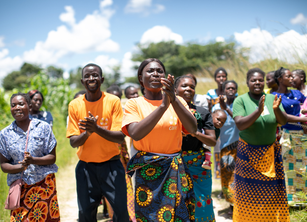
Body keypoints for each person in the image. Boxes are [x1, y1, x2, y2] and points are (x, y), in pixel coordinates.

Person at [122, 58, 197, 221]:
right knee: (150, 215)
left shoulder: (179, 102)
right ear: (141, 78)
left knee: (179, 214)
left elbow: (192, 129)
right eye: (150, 71)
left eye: (159, 71)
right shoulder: (134, 104)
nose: (155, 73)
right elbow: (135, 133)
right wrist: (163, 106)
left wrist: (174, 99)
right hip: (149, 171)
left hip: (175, 168)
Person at [66, 63, 129, 222]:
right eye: (87, 76)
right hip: (86, 168)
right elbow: (73, 142)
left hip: (111, 166)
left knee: (121, 213)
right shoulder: (75, 105)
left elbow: (119, 137)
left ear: (101, 79)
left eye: (95, 75)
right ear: (82, 81)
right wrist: (88, 132)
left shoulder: (113, 101)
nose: (91, 78)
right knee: (86, 214)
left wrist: (96, 128)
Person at [233, 68, 289, 221]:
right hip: (248, 154)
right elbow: (240, 124)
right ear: (247, 82)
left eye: (260, 80)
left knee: (271, 192)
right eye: (253, 80)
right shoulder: (241, 100)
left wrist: (277, 110)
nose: (257, 83)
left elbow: (283, 122)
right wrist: (258, 110)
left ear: (264, 82)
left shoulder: (272, 98)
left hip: (270, 154)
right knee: (248, 192)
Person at [0, 93, 60, 221]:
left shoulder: (43, 128)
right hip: (20, 188)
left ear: (29, 106)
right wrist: (20, 167)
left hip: (44, 185)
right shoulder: (5, 134)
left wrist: (33, 161)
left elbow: (52, 157)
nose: (17, 107)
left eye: (21, 104)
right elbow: (4, 165)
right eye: (13, 105)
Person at [174, 75, 216, 221]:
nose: (188, 89)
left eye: (192, 87)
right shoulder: (167, 111)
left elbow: (212, 141)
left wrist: (195, 133)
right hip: (174, 163)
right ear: (175, 89)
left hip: (198, 163)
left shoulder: (202, 112)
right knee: (177, 201)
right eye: (184, 86)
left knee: (202, 200)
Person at [272, 67, 307, 204]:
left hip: (302, 135)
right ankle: (290, 201)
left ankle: (302, 200)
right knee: (288, 168)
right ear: (280, 79)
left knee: (302, 167)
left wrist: (304, 111)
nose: (292, 79)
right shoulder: (275, 96)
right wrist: (303, 119)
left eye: (293, 76)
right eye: (289, 76)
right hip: (287, 136)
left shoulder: (297, 93)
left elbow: (305, 102)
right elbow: (283, 117)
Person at [106, 84, 136, 222]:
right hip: (106, 156)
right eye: (113, 97)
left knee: (126, 185)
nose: (115, 100)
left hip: (121, 156)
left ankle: (130, 215)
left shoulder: (123, 112)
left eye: (118, 98)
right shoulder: (103, 113)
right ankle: (114, 216)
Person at [212, 80, 240, 215]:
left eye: (233, 88)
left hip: (241, 145)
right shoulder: (216, 106)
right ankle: (231, 205)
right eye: (228, 88)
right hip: (225, 146)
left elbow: (241, 121)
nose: (231, 90)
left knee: (240, 177)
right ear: (223, 90)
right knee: (228, 177)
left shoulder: (240, 104)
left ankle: (241, 206)